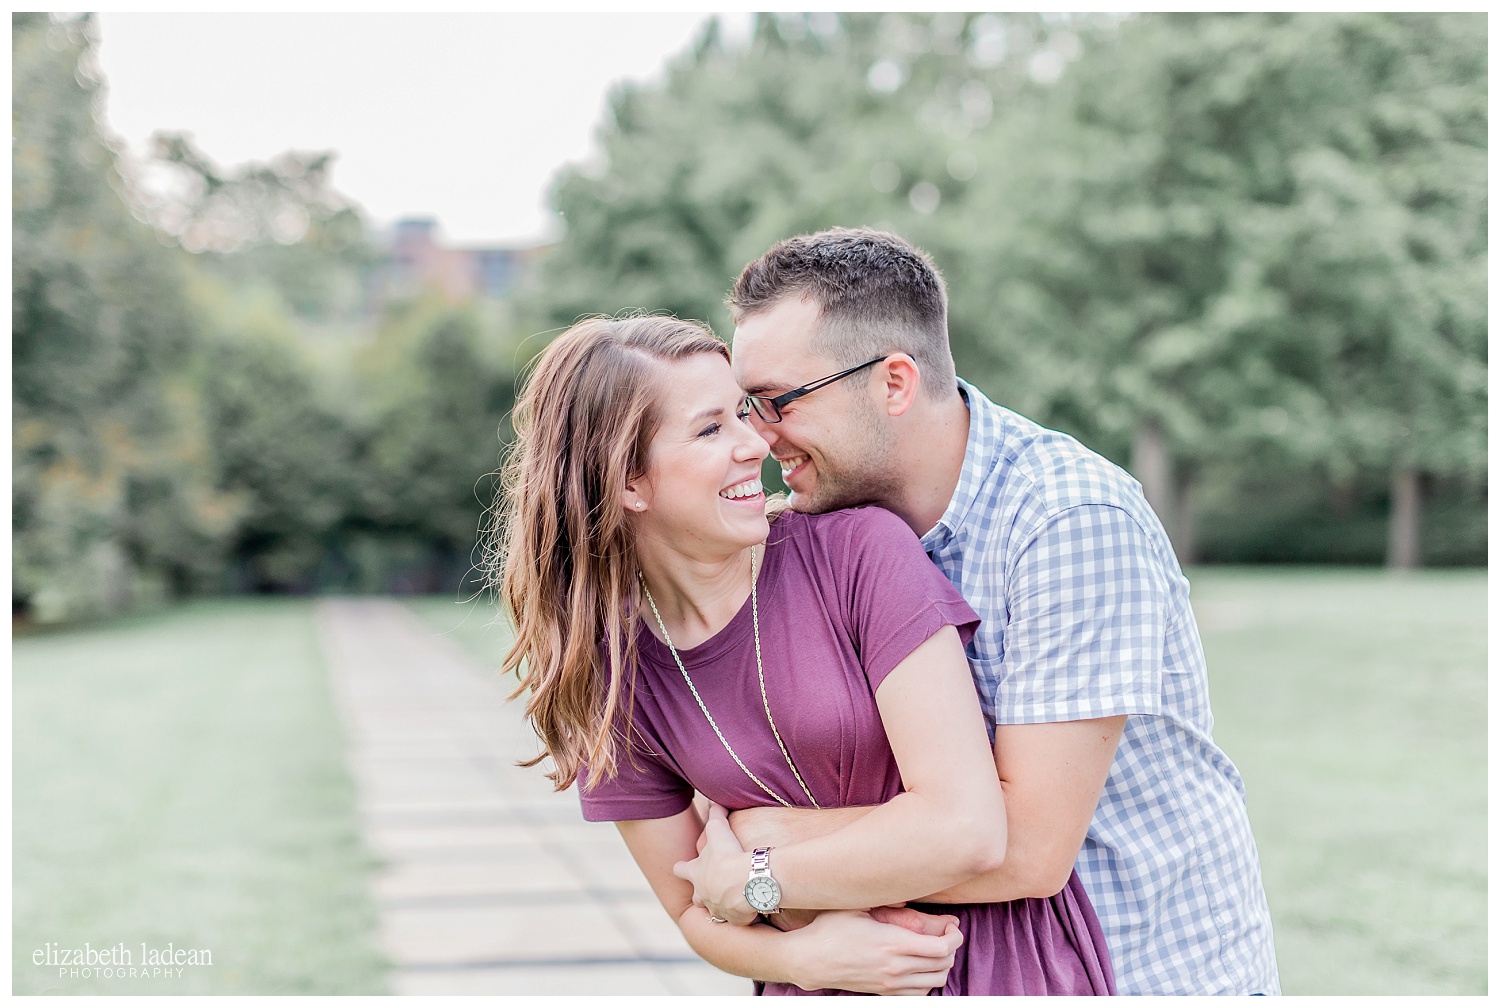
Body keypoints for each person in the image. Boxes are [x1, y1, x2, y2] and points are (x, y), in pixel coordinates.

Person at [722, 227, 1281, 996]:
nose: (757, 435)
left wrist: (764, 852)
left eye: (777, 402)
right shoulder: (820, 537)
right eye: (744, 406)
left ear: (893, 382)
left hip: (1141, 971)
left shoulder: (1068, 519)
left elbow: (1023, 847)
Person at [489, 315, 1116, 995]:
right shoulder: (610, 676)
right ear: (629, 482)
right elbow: (689, 907)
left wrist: (757, 872)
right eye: (710, 429)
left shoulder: (858, 552)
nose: (754, 441)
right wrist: (801, 962)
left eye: (742, 413)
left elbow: (965, 828)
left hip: (996, 961)